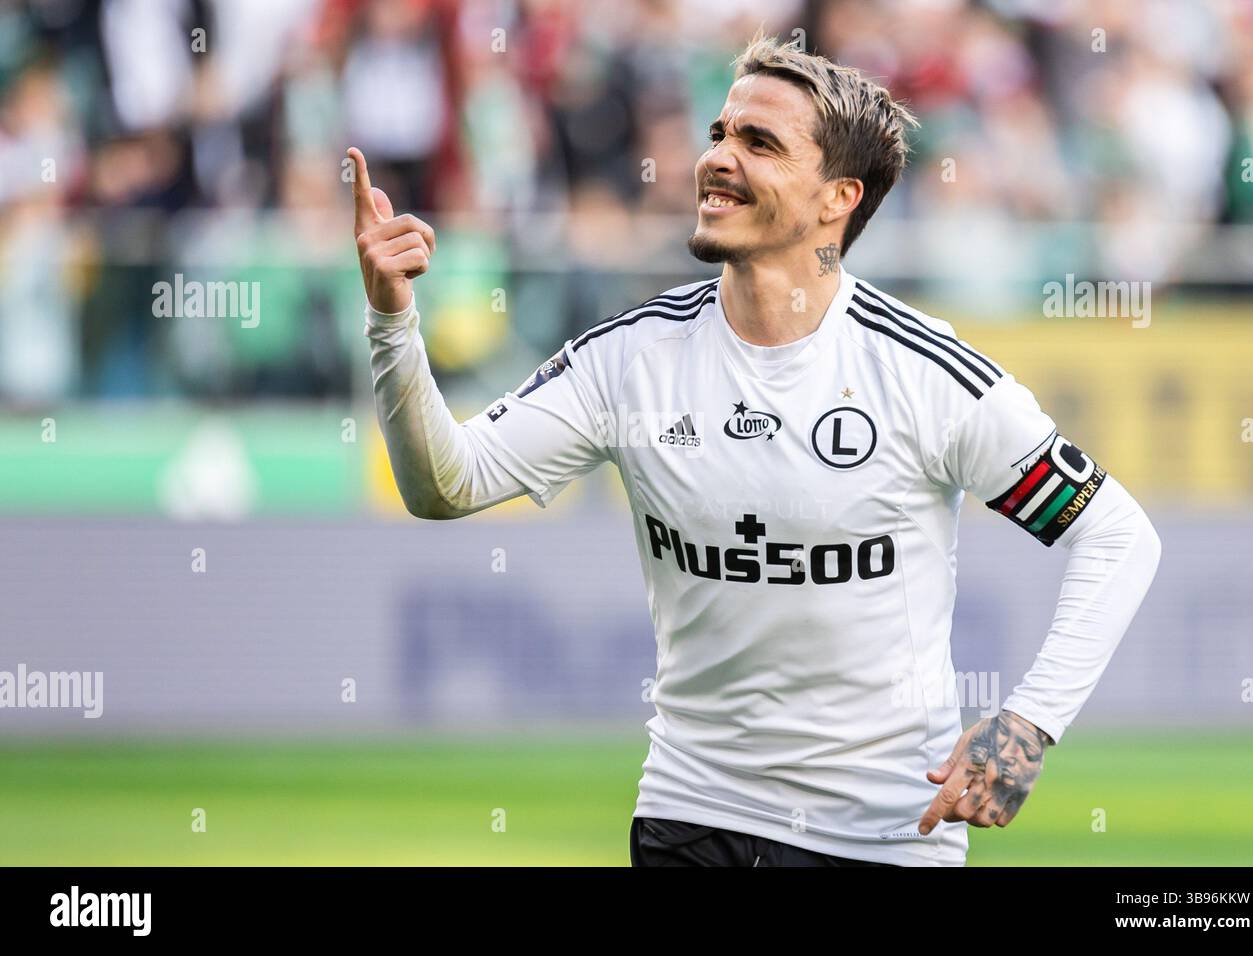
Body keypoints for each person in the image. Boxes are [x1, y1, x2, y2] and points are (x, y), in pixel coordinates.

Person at [348, 35, 1161, 867]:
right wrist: (391, 321)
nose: (718, 160)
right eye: (718, 134)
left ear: (837, 197)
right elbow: (445, 485)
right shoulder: (632, 361)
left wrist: (1027, 724)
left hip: (883, 837)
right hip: (691, 815)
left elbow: (1118, 534)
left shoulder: (923, 375)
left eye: (758, 143)